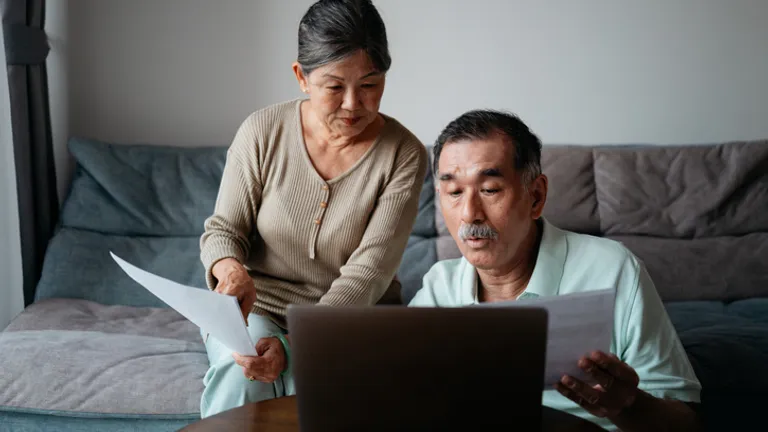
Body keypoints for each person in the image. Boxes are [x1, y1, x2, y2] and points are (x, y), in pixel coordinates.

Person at [198, 0, 427, 418]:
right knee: (242, 374)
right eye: (335, 87)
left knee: (324, 384)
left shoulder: (403, 154)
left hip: (355, 320)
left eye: (370, 84)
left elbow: (370, 271)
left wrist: (295, 347)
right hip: (259, 308)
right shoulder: (261, 131)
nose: (354, 104)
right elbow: (223, 231)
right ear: (302, 77)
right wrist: (232, 272)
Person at [409, 110, 701, 431]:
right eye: (454, 192)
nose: (469, 214)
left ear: (536, 196)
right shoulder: (440, 286)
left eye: (490, 189)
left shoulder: (610, 268)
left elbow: (684, 422)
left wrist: (628, 404)